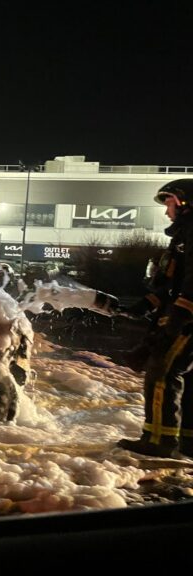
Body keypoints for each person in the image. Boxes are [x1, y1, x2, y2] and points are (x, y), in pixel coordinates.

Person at [117, 179, 193, 458]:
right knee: (184, 375)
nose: (166, 211)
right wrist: (144, 305)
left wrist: (179, 316)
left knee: (162, 373)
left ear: (184, 202)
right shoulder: (184, 236)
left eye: (169, 203)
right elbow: (171, 282)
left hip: (187, 319)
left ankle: (158, 440)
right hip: (184, 315)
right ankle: (186, 440)